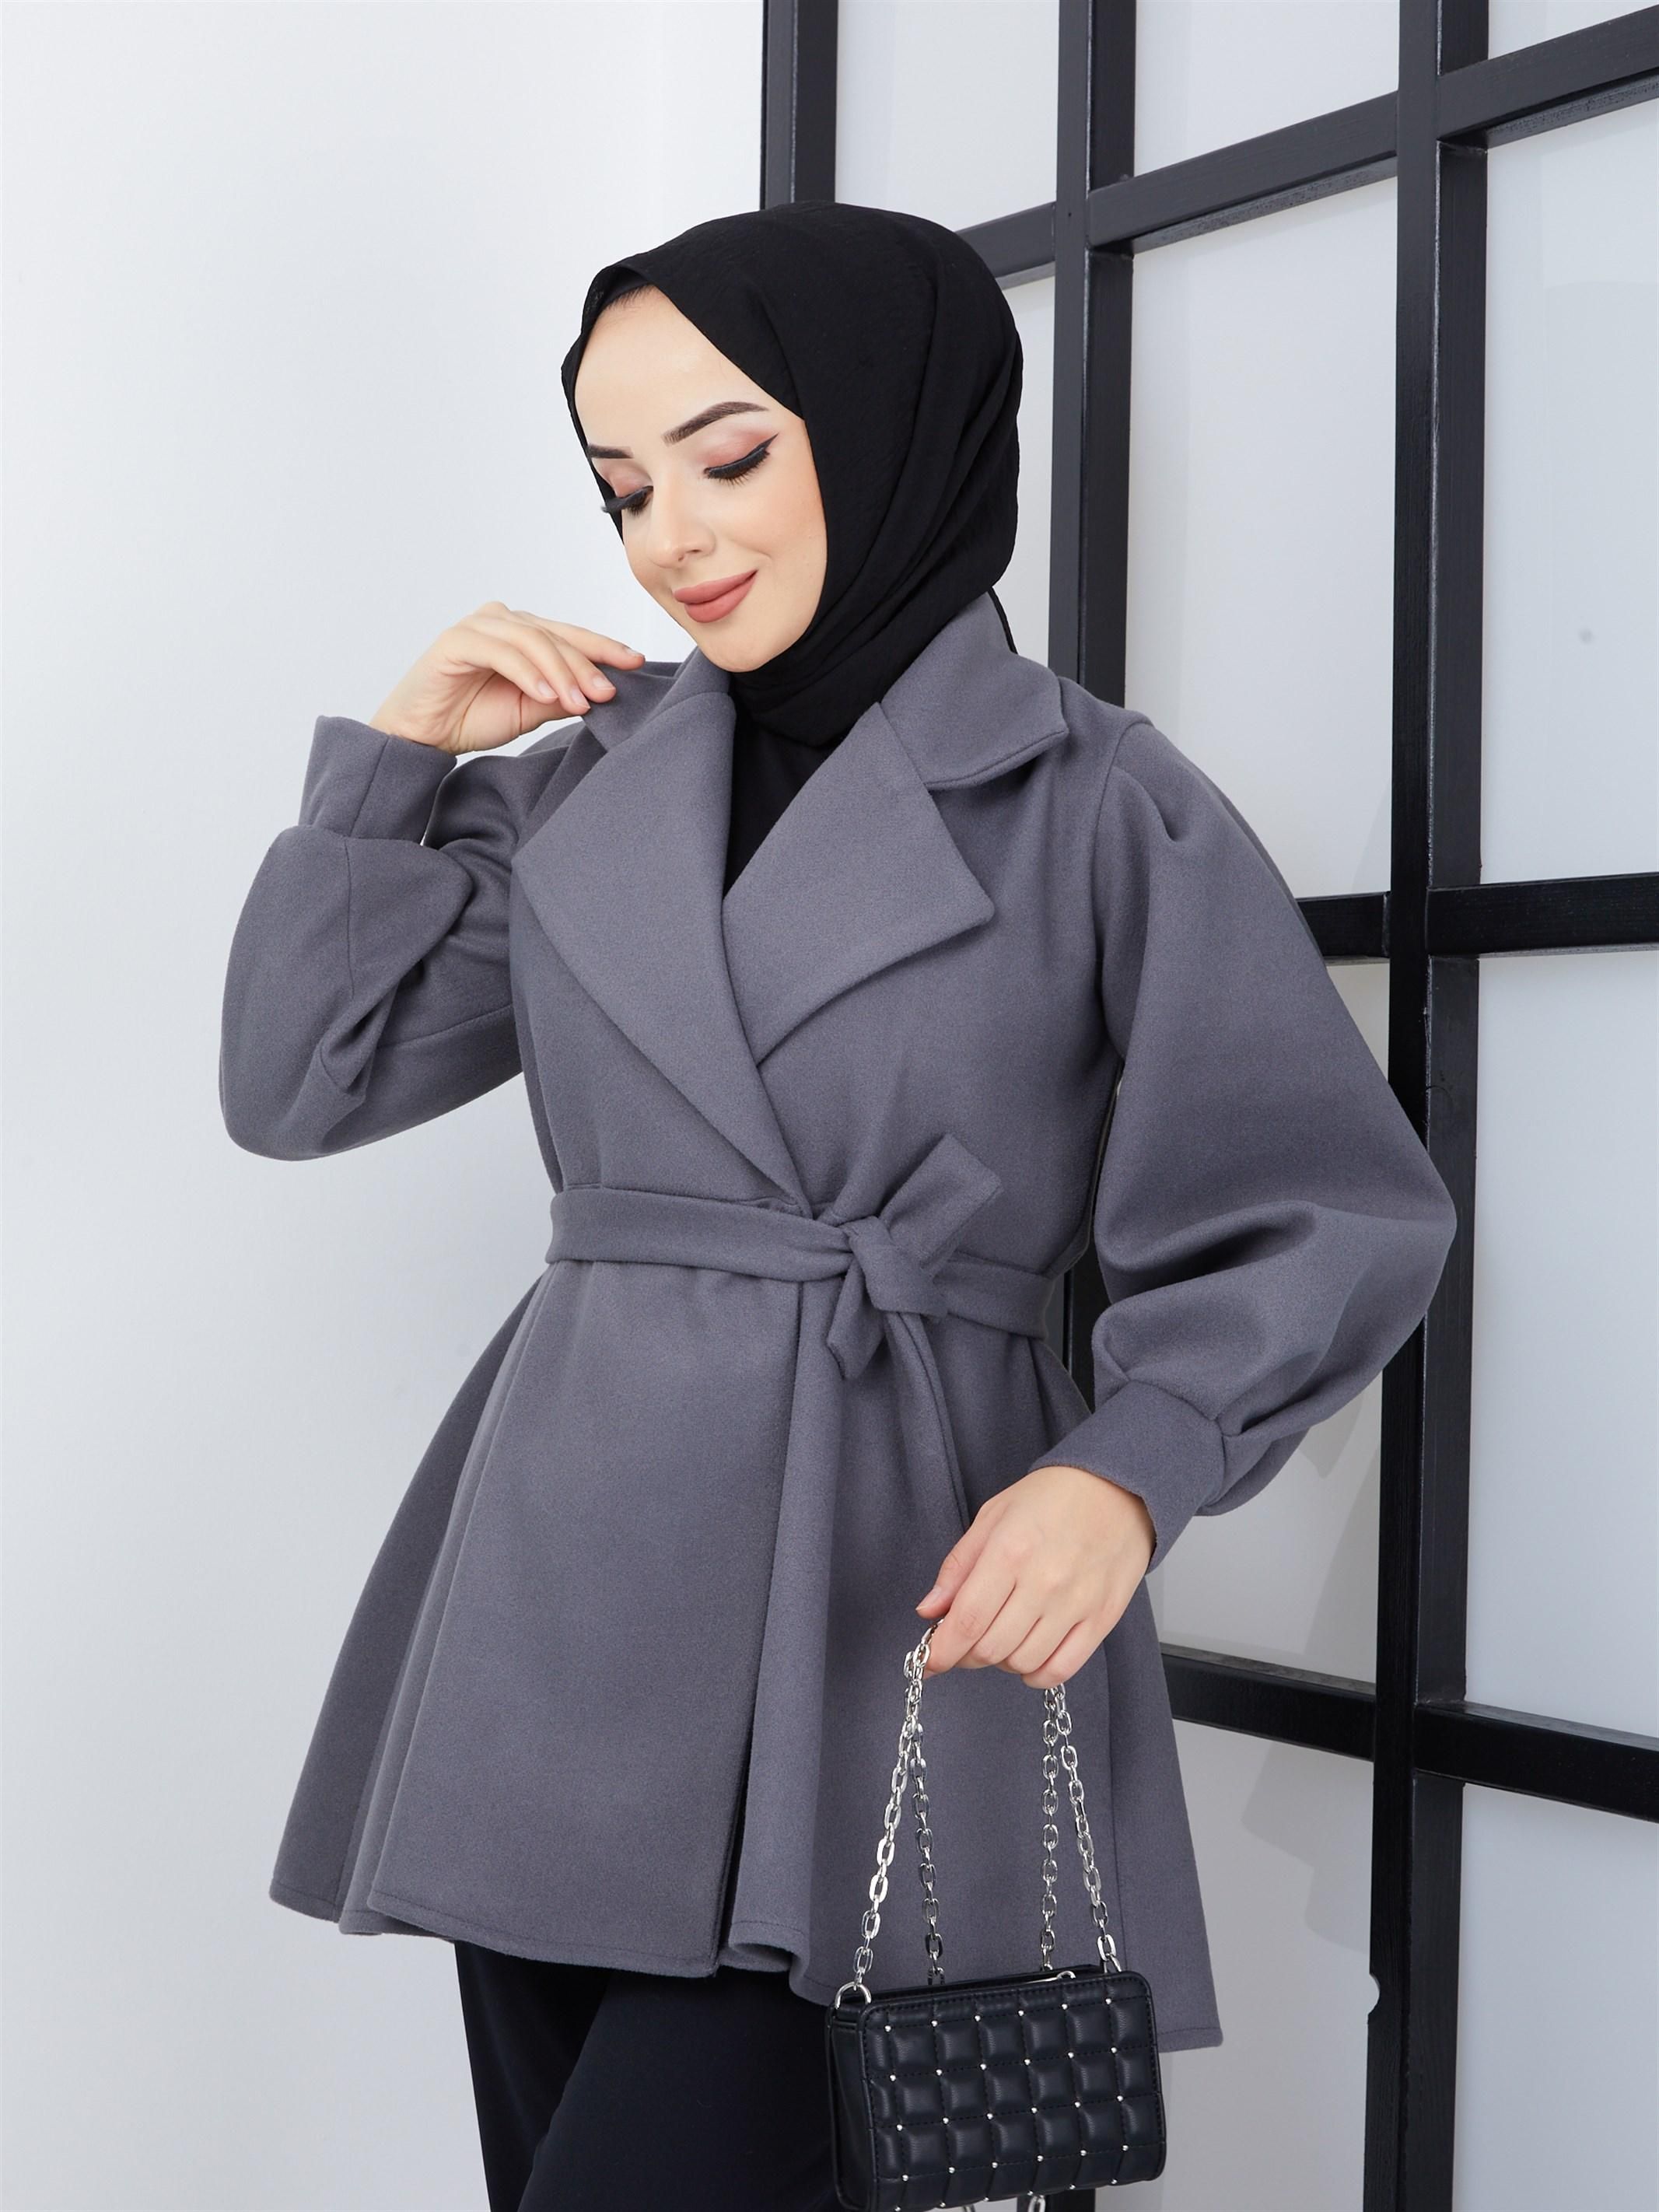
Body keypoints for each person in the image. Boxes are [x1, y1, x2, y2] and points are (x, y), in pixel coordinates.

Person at [219, 201, 1458, 2210]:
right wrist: (395, 766)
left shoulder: (1097, 805)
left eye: (728, 456)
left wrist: (1129, 1470)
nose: (670, 540)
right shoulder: (586, 787)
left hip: (882, 1605)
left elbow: (1322, 1206)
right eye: (624, 488)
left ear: (889, 426)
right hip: (557, 1609)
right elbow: (301, 1082)